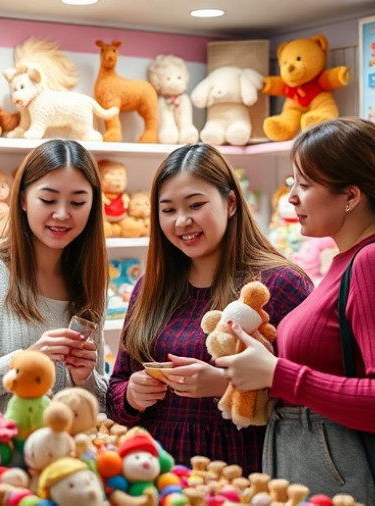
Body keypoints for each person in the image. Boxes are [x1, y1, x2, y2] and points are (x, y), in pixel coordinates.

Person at [216, 117, 375, 502]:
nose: (291, 197)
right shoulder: (353, 258)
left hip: (353, 480)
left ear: (351, 196)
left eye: (304, 185)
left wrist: (278, 373)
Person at [105, 143, 313, 472]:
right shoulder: (150, 287)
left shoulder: (280, 284)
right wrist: (131, 394)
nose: (182, 221)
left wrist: (224, 384)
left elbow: (309, 399)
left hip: (244, 473)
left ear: (230, 203)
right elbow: (117, 385)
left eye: (196, 204)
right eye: (168, 210)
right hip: (159, 476)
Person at [0, 139, 108, 414]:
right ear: (23, 200)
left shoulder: (90, 283)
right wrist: (25, 361)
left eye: (77, 202)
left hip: (63, 452)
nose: (62, 214)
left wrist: (85, 379)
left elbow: (96, 404)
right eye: (48, 200)